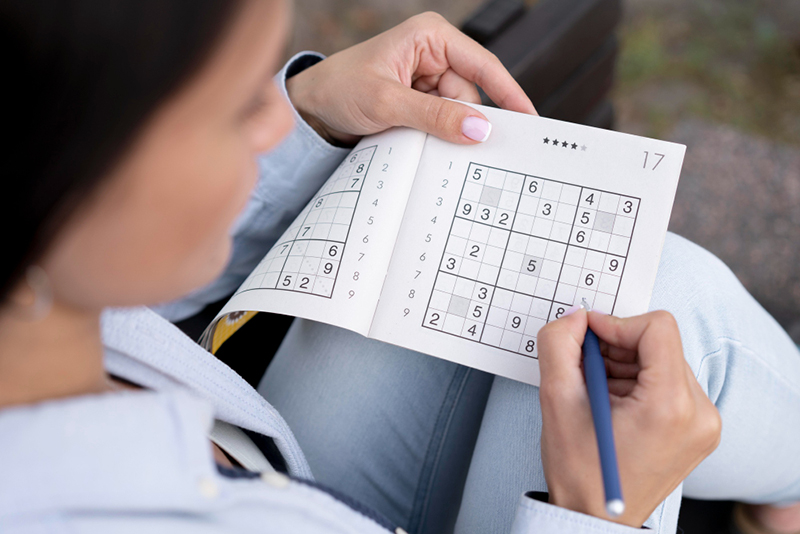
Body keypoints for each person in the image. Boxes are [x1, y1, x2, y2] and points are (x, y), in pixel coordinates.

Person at [1, 1, 799, 533]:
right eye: (238, 106)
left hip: (283, 468)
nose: (274, 128)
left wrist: (314, 107)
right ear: (64, 179)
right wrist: (595, 516)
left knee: (631, 297)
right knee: (677, 331)